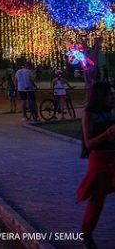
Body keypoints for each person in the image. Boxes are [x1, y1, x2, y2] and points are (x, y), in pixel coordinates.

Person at [77, 81, 115, 249]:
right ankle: (87, 234)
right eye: (110, 94)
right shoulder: (88, 114)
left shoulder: (110, 112)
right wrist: (109, 132)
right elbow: (89, 143)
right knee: (97, 199)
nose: (113, 97)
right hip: (99, 160)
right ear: (101, 96)